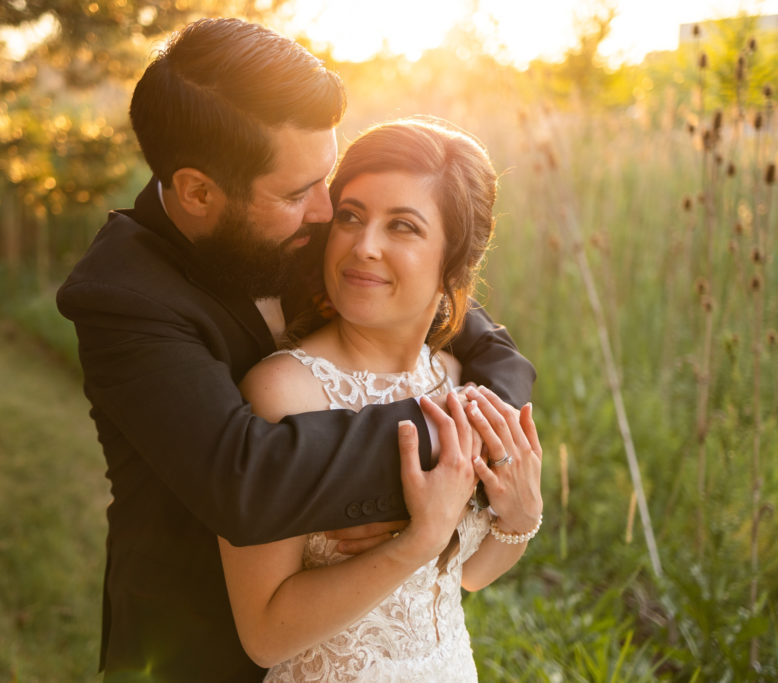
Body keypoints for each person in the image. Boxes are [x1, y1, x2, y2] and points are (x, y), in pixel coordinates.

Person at [56, 18, 536, 682]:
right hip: (191, 654)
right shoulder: (123, 297)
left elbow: (472, 332)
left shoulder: (306, 223)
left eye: (326, 179)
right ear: (199, 191)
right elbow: (247, 475)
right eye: (296, 193)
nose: (327, 211)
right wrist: (445, 454)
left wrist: (498, 438)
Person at [219, 117, 543, 681]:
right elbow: (265, 635)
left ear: (454, 259)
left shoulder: (460, 378)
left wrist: (520, 517)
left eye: (402, 227)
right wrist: (417, 540)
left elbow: (465, 576)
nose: (363, 247)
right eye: (350, 216)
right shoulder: (285, 392)